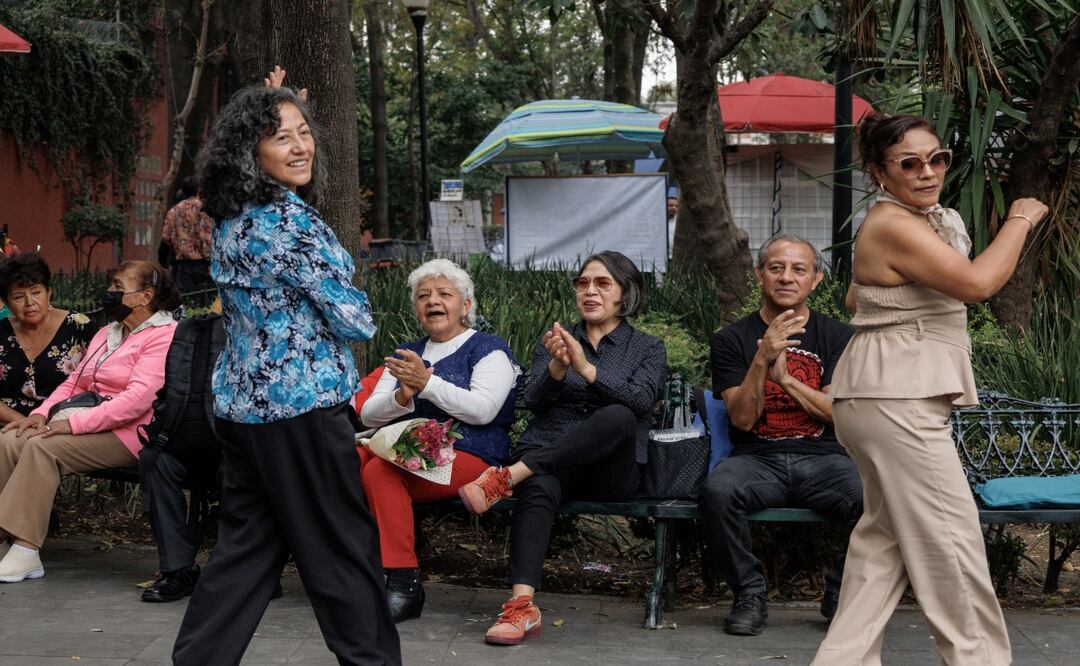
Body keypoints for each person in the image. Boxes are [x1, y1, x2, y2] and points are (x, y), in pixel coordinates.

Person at [171, 84, 400, 666]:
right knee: (341, 550)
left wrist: (275, 97)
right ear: (252, 153)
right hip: (301, 410)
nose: (301, 146)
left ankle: (199, 659)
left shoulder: (231, 220)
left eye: (303, 133)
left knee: (246, 549)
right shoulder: (289, 227)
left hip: (244, 411)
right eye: (282, 138)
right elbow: (356, 321)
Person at [812, 113, 1049, 665]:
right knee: (952, 544)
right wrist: (1018, 218)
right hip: (898, 401)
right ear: (879, 172)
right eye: (909, 163)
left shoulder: (899, 224)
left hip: (878, 395)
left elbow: (854, 300)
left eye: (936, 158)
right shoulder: (895, 224)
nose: (927, 171)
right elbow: (978, 284)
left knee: (883, 547)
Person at [457, 250, 667, 646]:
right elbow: (534, 402)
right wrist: (555, 370)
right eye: (583, 283)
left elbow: (641, 403)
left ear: (625, 293)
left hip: (610, 471)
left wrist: (586, 370)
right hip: (552, 461)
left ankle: (510, 476)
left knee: (619, 415)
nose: (590, 291)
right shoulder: (555, 340)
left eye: (602, 284)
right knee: (539, 484)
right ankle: (521, 607)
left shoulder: (647, 348)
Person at [704, 234, 862, 636]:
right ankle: (749, 595)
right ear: (760, 275)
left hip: (824, 459)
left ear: (816, 279)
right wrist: (761, 357)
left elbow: (836, 414)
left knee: (876, 496)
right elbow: (741, 421)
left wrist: (787, 380)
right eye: (776, 268)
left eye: (798, 269)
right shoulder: (731, 341)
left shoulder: (838, 338)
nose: (786, 277)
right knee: (719, 491)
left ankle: (842, 595)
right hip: (757, 461)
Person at [359, 258, 517, 623]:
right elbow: (369, 414)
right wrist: (403, 396)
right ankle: (351, 575)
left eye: (444, 294)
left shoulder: (488, 349)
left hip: (471, 452)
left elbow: (483, 410)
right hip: (406, 451)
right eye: (423, 295)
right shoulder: (407, 353)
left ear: (466, 305)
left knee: (381, 473)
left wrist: (428, 383)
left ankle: (404, 584)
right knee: (350, 464)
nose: (433, 301)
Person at [0, 260, 179, 582]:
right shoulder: (108, 332)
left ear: (145, 296)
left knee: (43, 449)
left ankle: (26, 549)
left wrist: (71, 425)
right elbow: (75, 384)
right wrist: (41, 415)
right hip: (88, 420)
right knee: (10, 439)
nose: (109, 292)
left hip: (131, 432)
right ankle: (5, 538)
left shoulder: (163, 335)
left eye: (118, 288)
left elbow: (137, 401)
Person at [0, 253, 93, 425]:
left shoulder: (79, 327)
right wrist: (24, 423)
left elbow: (97, 381)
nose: (29, 302)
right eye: (19, 296)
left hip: (62, 423)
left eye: (36, 293)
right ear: (6, 301)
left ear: (48, 293)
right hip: (8, 424)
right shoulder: (1, 332)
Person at [161, 177, 214, 296]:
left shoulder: (173, 211)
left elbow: (166, 237)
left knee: (186, 302)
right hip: (202, 264)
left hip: (182, 265)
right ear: (198, 189)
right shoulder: (203, 208)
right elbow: (207, 237)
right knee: (205, 303)